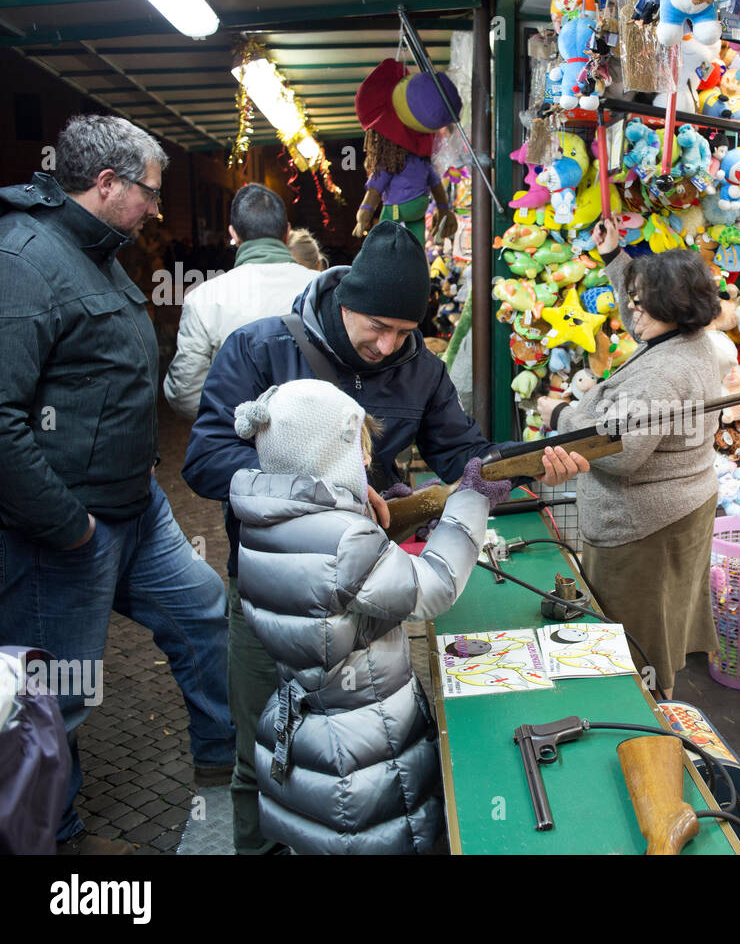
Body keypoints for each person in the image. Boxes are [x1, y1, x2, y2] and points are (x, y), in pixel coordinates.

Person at [182, 218, 588, 854]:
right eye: (377, 326)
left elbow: (465, 456)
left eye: (404, 331)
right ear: (345, 300)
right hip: (269, 598)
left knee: (363, 765)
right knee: (260, 756)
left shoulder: (418, 368)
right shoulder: (258, 348)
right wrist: (323, 491)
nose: (388, 344)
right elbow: (204, 462)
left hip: (367, 603)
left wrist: (534, 459)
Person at [0, 115, 236, 854]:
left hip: (139, 507)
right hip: (66, 529)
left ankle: (225, 767)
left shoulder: (95, 249)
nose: (157, 209)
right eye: (150, 192)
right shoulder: (25, 260)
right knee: (56, 697)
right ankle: (55, 840)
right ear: (106, 185)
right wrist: (69, 525)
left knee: (202, 610)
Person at [228, 378, 511, 853]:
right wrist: (471, 500)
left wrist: (383, 520)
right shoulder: (344, 540)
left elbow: (335, 586)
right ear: (329, 455)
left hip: (309, 730)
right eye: (358, 449)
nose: (366, 461)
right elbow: (433, 587)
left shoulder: (263, 518)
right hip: (364, 747)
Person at [536, 220, 721, 700]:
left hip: (643, 527)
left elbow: (619, 452)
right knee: (661, 623)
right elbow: (641, 313)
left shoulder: (660, 372)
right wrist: (615, 258)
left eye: (641, 301)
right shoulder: (688, 339)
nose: (631, 309)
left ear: (670, 306)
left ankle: (642, 723)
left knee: (634, 644)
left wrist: (560, 413)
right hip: (682, 507)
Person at [164, 184, 319, 419]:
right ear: (287, 232)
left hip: (235, 444)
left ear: (233, 234)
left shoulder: (203, 298)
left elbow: (186, 393)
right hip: (315, 436)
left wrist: (237, 421)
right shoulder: (323, 289)